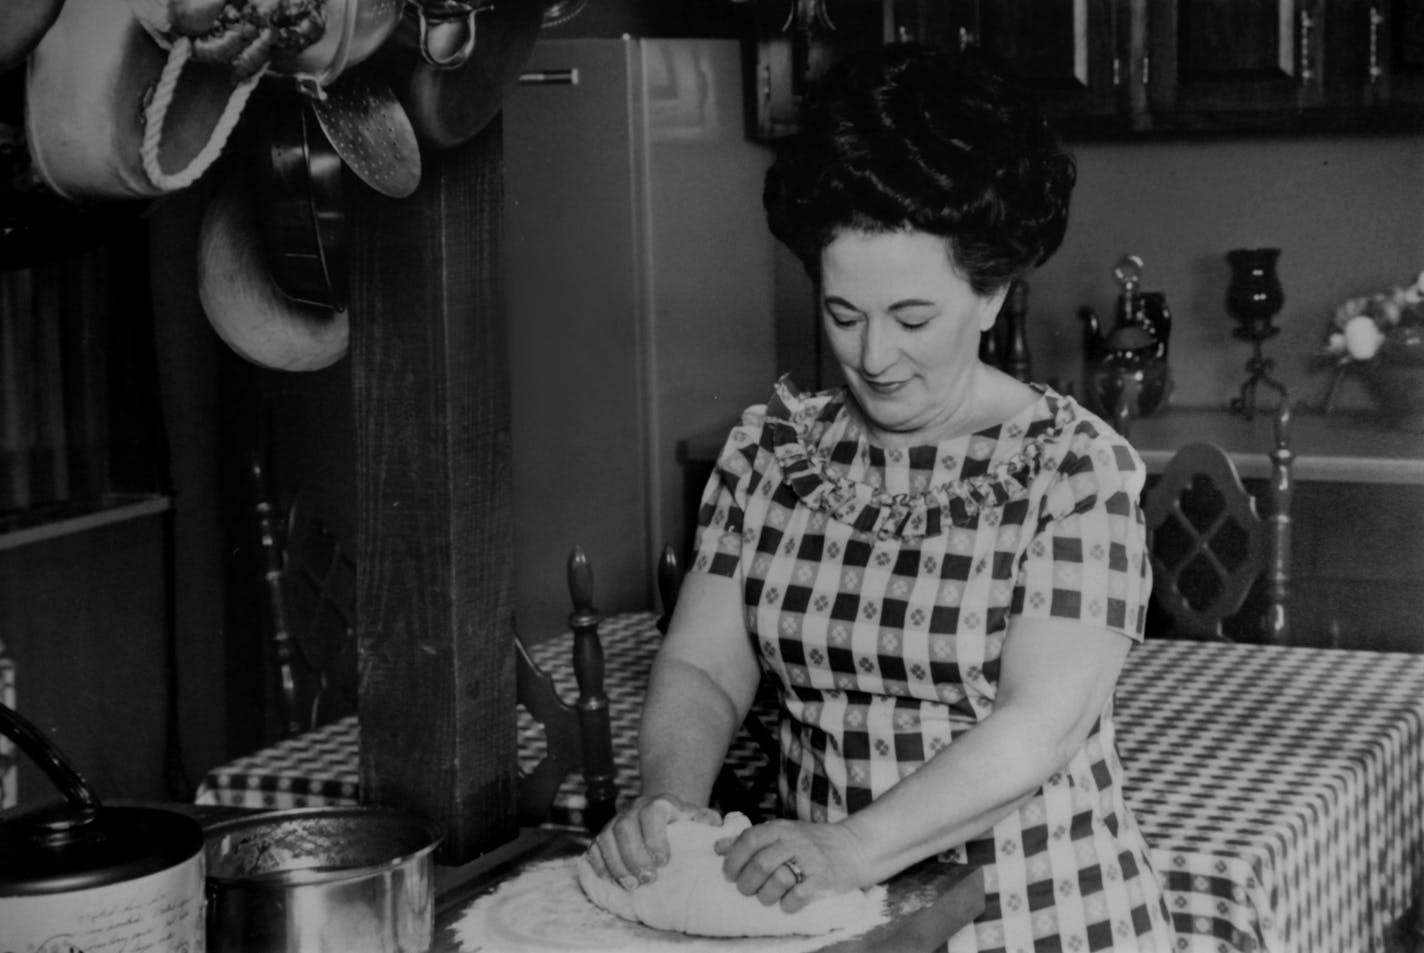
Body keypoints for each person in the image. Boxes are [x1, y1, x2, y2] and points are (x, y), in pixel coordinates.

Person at [586, 43, 1175, 951]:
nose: (871, 357)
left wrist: (852, 846)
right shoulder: (772, 451)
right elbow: (704, 667)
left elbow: (1040, 727)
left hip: (1040, 916)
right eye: (842, 312)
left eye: (911, 318)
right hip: (835, 922)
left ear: (993, 298)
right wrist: (670, 800)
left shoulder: (1074, 469)